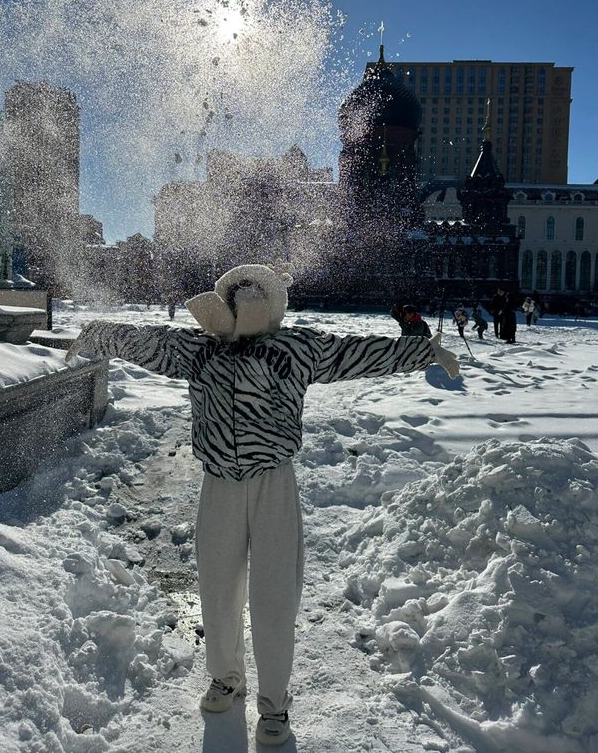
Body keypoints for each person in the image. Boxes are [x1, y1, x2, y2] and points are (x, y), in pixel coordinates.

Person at [65, 264, 459, 747]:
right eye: (236, 296)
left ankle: (274, 704)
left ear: (272, 305)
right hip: (218, 485)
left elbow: (358, 352)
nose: (243, 304)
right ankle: (226, 677)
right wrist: (98, 333)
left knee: (274, 596)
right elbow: (148, 341)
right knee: (216, 586)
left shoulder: (297, 348)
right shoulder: (200, 350)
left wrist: (423, 350)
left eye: (254, 296)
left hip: (274, 481)